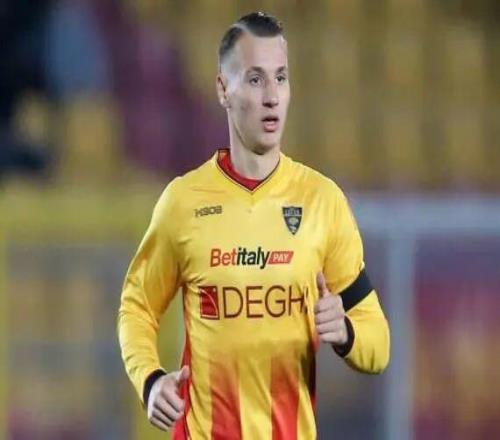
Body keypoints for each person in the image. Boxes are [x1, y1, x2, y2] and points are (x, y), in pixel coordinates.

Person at [118, 11, 390, 439]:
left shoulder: (322, 201)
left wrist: (346, 333)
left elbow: (379, 345)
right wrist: (149, 380)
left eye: (281, 78)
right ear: (223, 89)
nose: (272, 96)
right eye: (255, 79)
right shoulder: (183, 203)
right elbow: (137, 307)